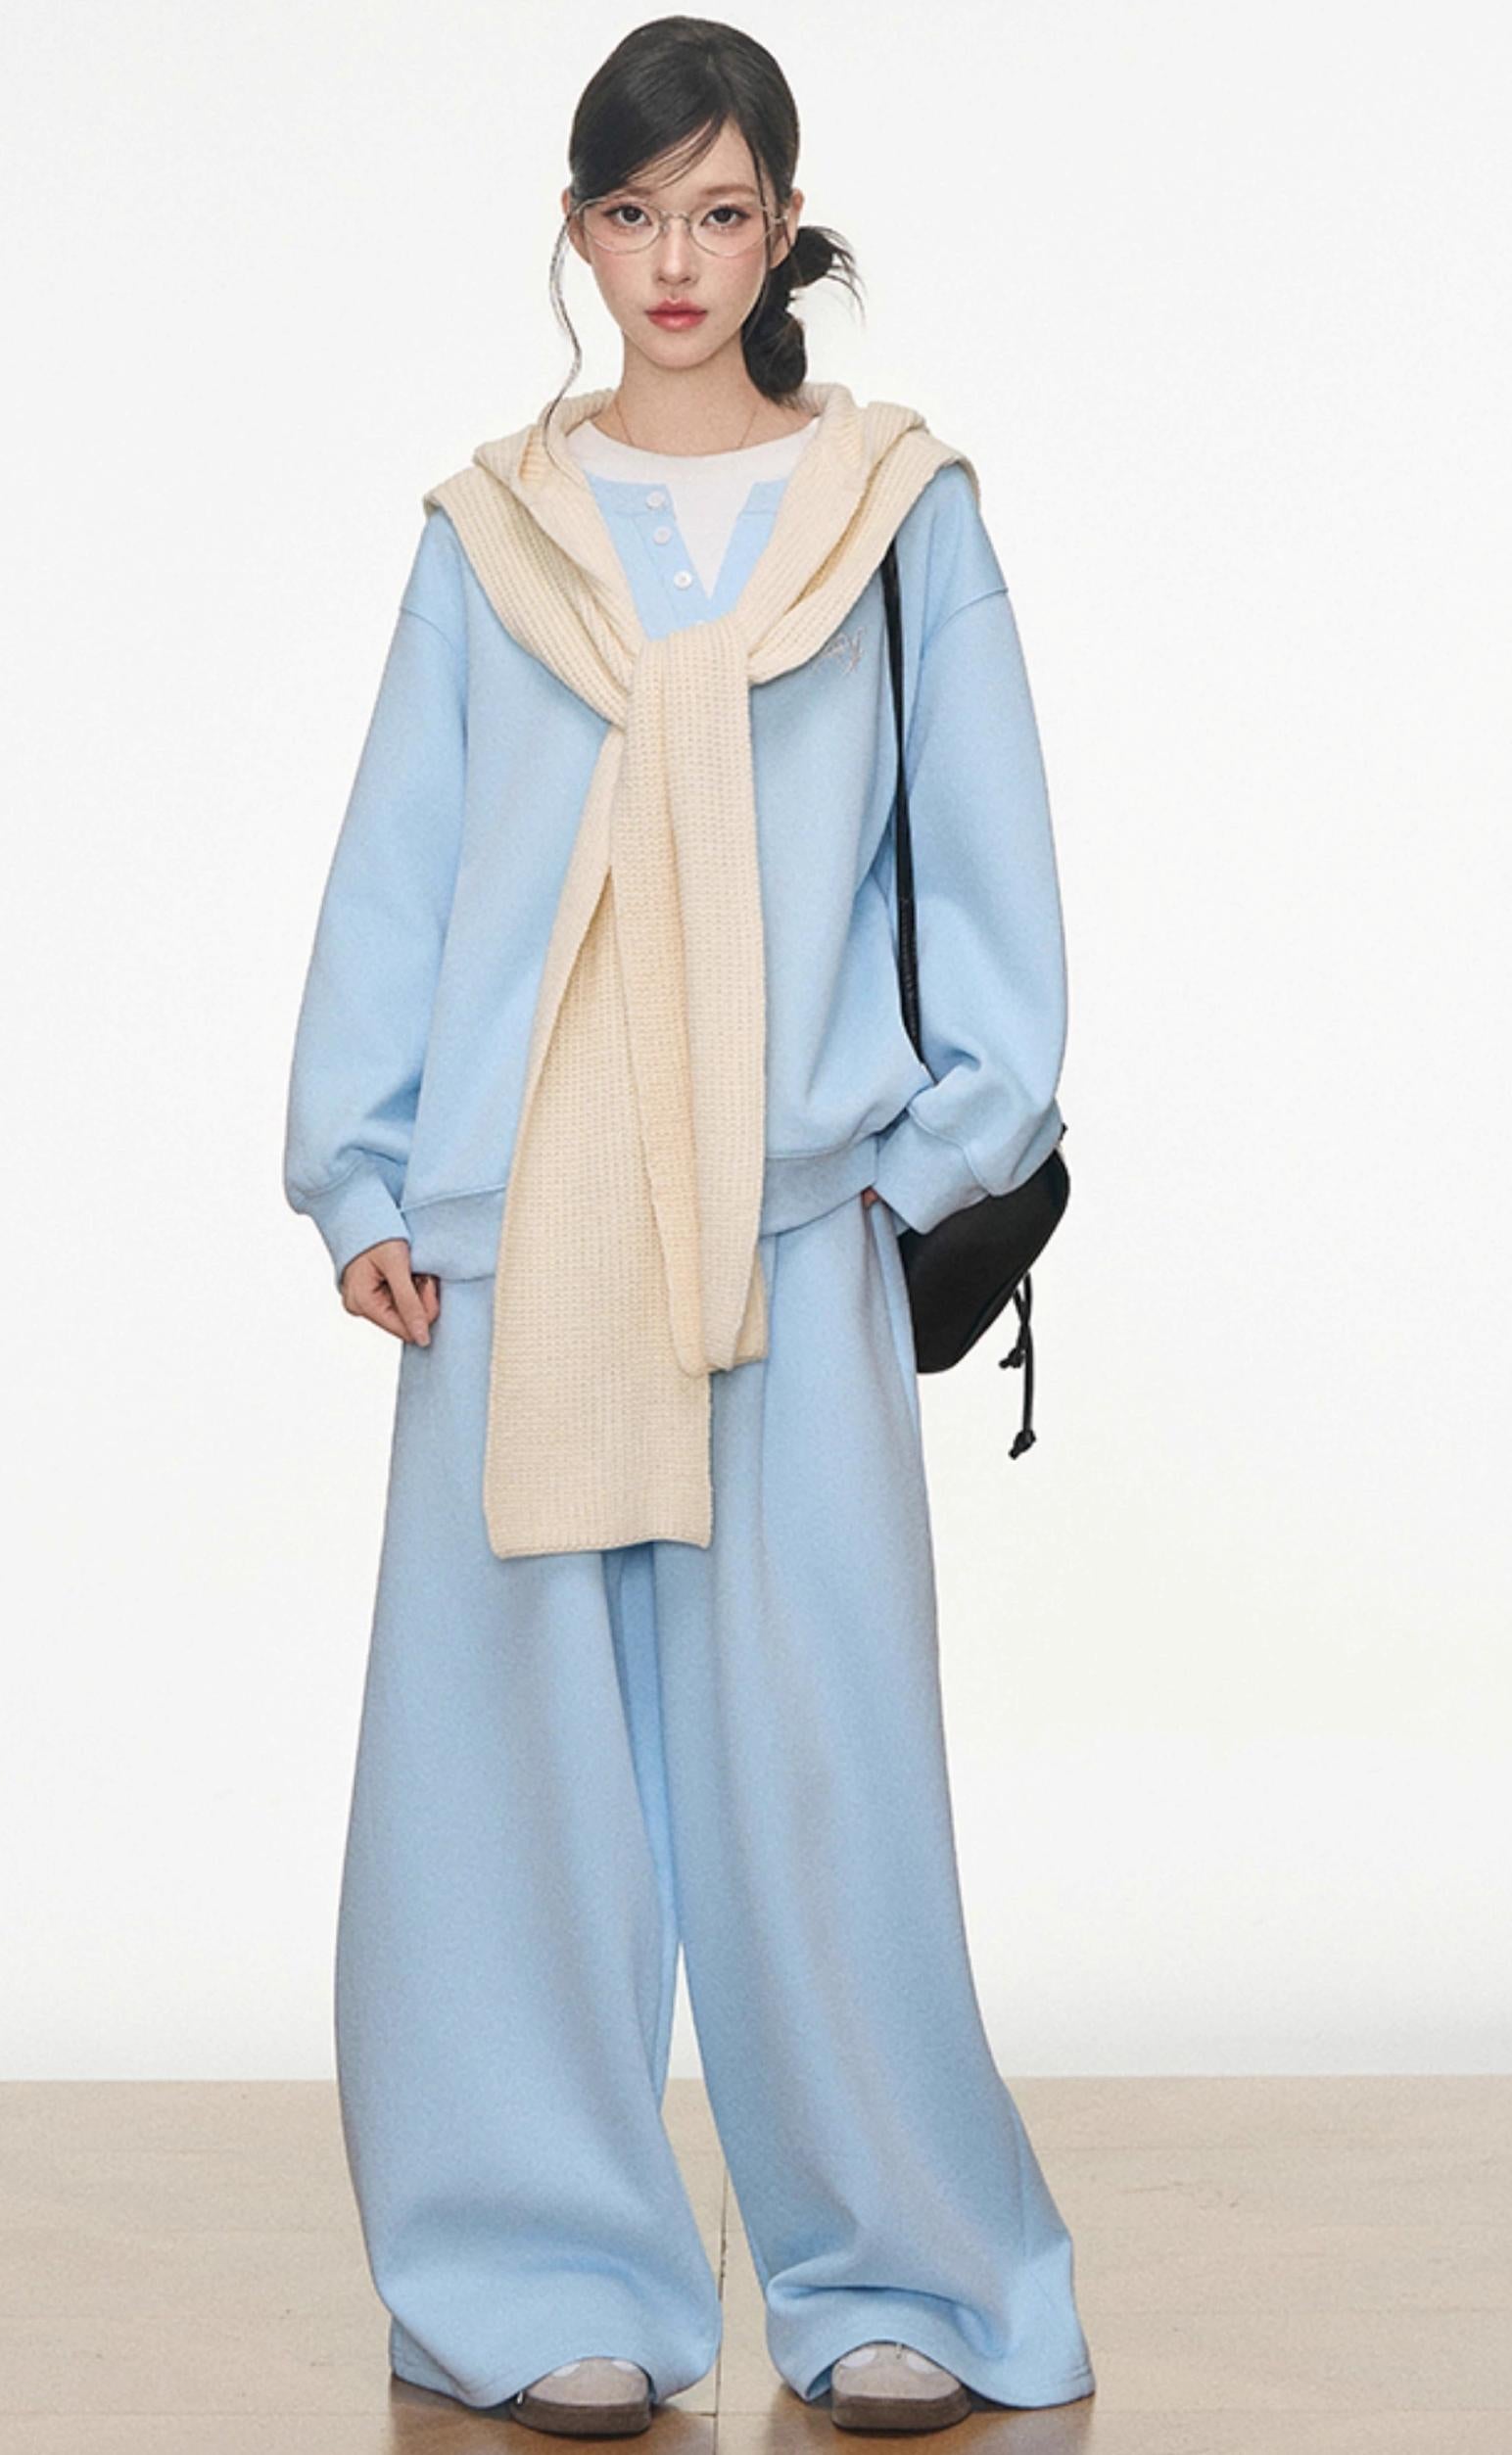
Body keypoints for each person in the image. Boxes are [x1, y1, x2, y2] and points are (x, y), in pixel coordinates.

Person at [282, 14, 1096, 2438]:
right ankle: (537, 2271)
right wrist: (360, 1172)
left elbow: (987, 868)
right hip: (512, 1241)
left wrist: (918, 1167)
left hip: (787, 1234)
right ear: (576, 228)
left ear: (779, 227)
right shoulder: (488, 534)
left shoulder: (893, 512)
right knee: (503, 1785)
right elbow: (402, 861)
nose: (671, 259)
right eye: (631, 213)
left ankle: (902, 2276)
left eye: (717, 211)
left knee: (817, 1771)